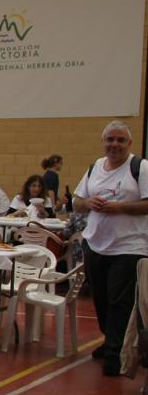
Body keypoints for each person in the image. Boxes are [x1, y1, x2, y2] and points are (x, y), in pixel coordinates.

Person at [73, 120, 148, 376]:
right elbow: (76, 202)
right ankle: (110, 340)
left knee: (119, 300)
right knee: (101, 298)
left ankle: (115, 355)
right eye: (110, 140)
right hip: (96, 244)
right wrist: (88, 203)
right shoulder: (94, 167)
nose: (115, 144)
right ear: (103, 142)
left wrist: (120, 207)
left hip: (129, 246)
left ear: (129, 143)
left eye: (120, 140)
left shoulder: (140, 168)